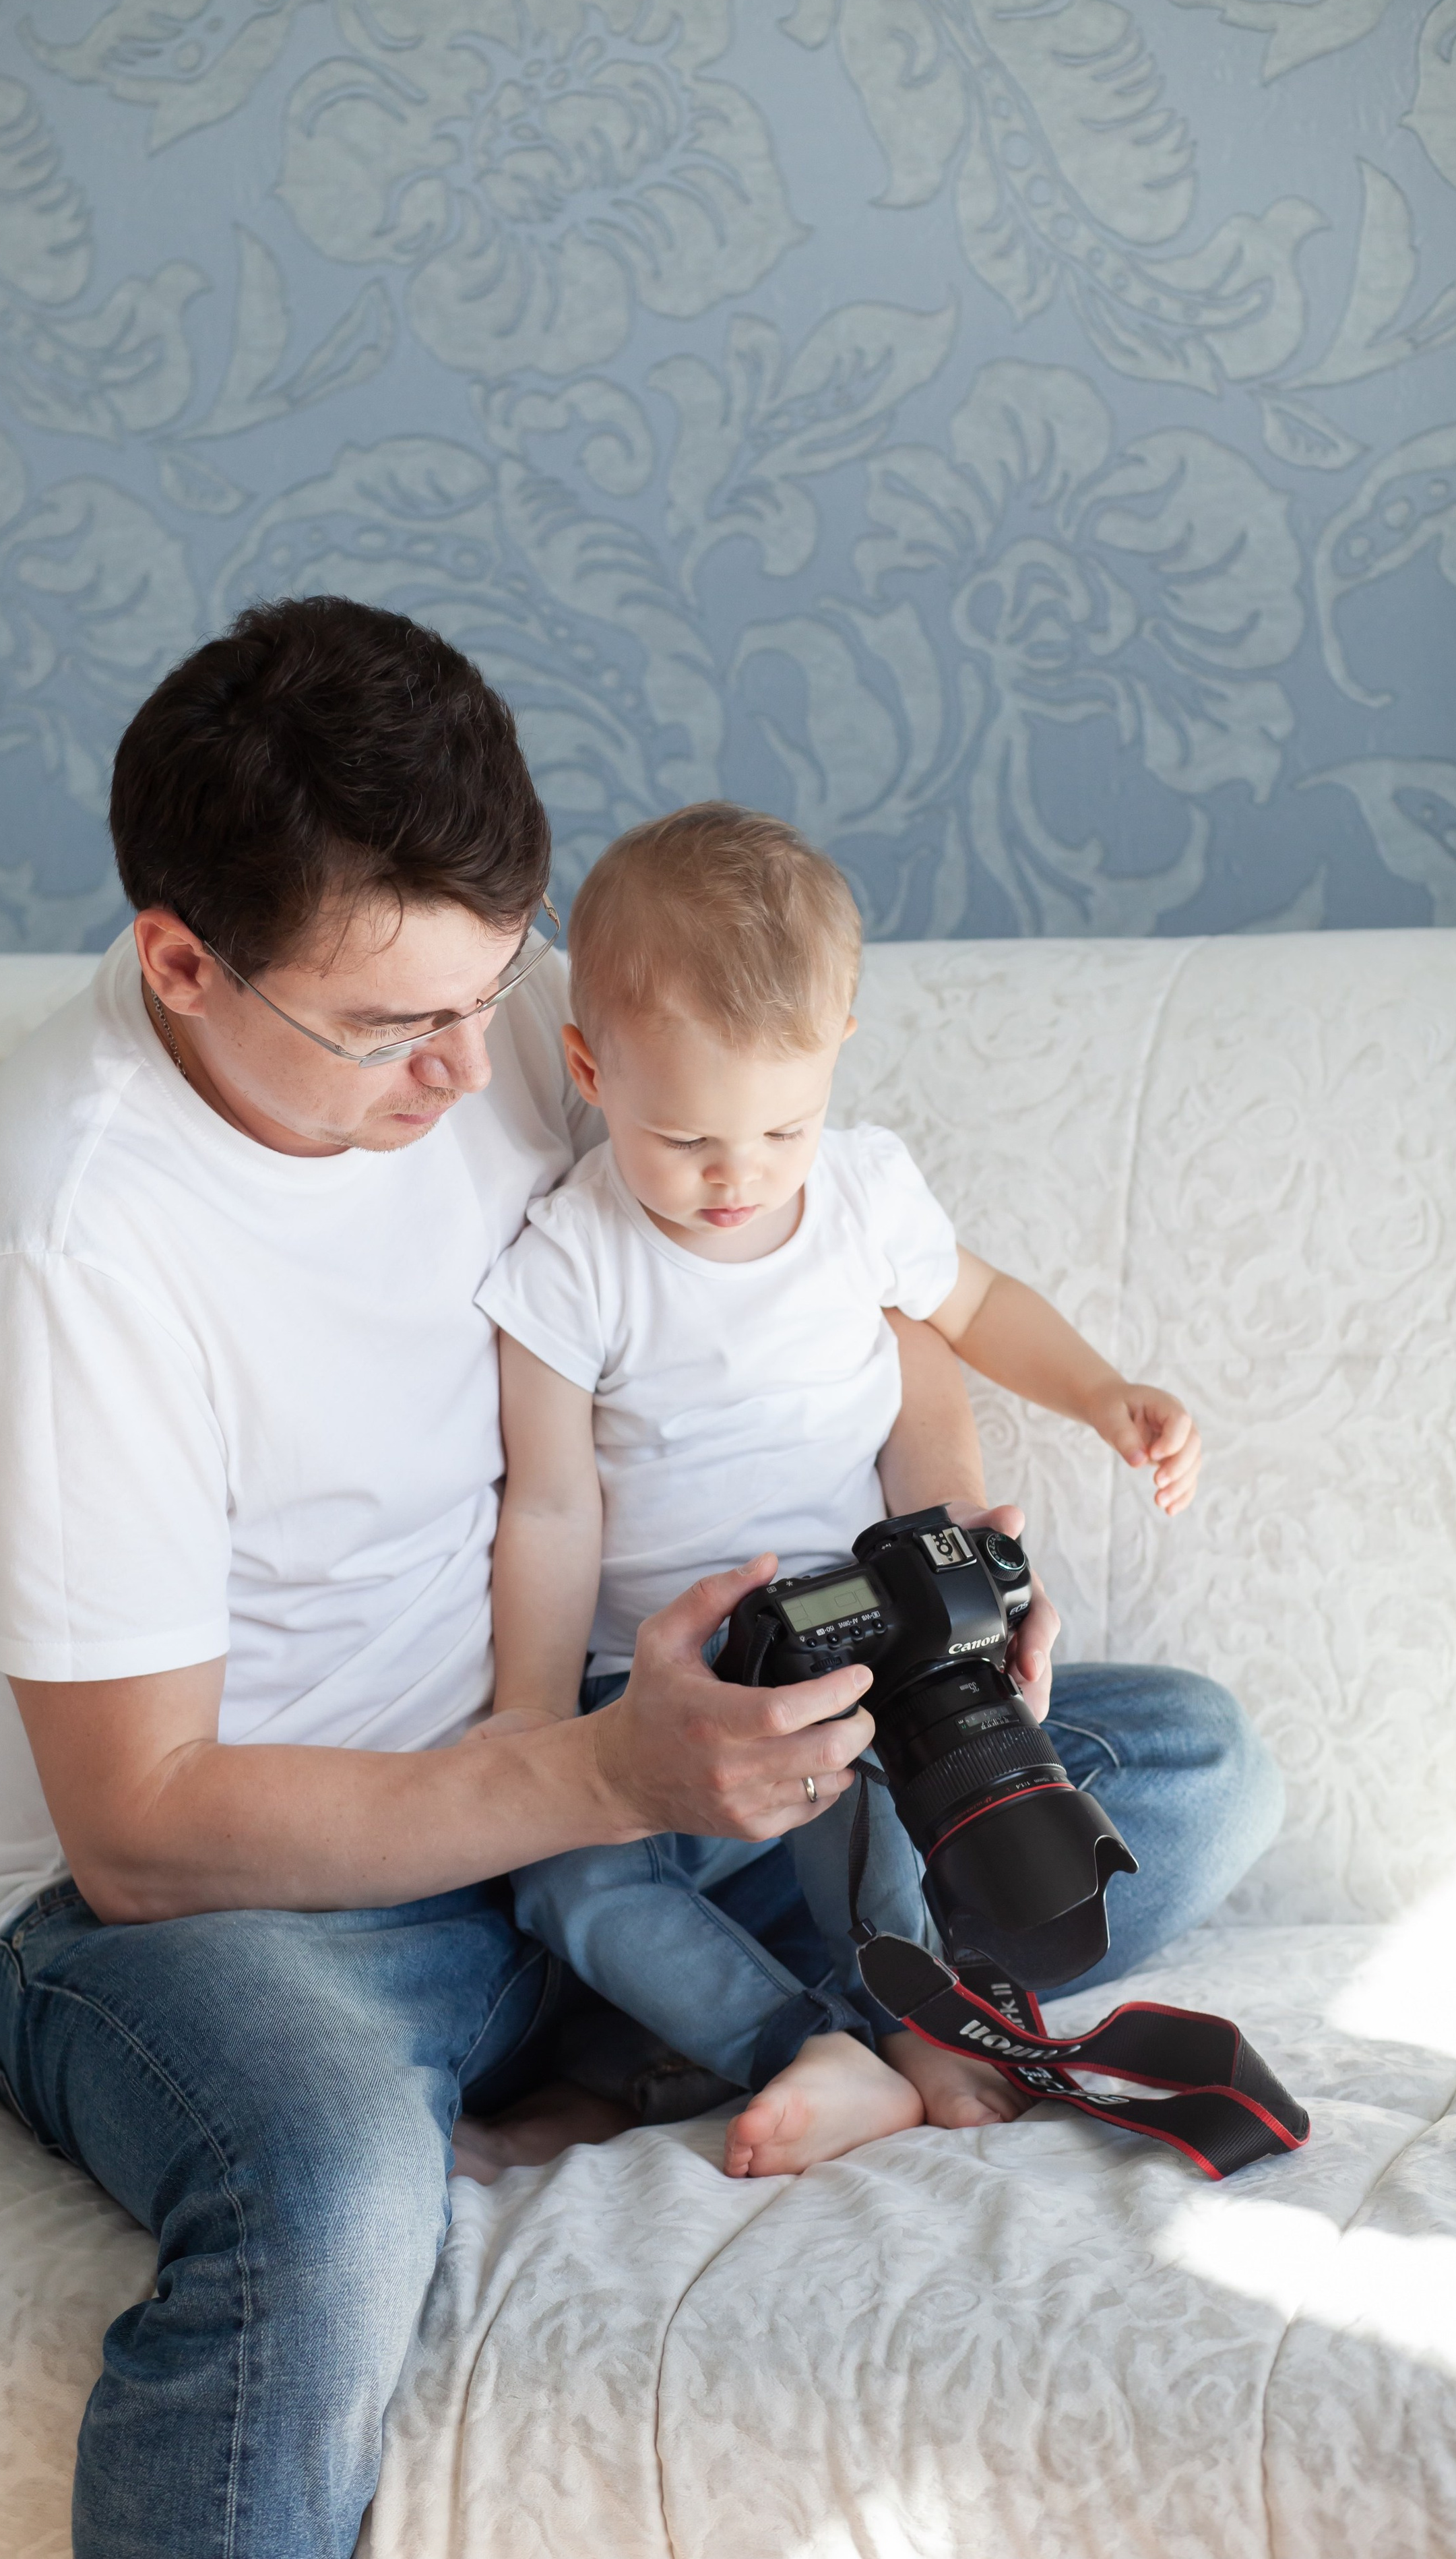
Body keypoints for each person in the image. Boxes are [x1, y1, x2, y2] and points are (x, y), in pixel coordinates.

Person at [0, 597, 1034, 2559]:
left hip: (554, 1801)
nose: (470, 1071)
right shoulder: (66, 1242)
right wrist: (610, 1786)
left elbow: (847, 1281)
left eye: (493, 989)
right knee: (332, 2181)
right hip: (222, 1919)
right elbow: (142, 1839)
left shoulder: (509, 1024)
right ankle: (614, 2025)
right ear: (181, 965)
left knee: (1137, 1768)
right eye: (389, 1028)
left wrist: (962, 1559)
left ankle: (615, 2021)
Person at [480, 804, 1283, 2178]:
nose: (736, 1179)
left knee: (1098, 1782)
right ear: (586, 1068)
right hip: (657, 1703)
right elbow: (547, 1512)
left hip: (864, 1664)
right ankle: (813, 2043)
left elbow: (973, 1306)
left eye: (781, 1127)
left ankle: (837, 2032)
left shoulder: (861, 1197)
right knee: (562, 1881)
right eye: (682, 1142)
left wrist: (1098, 1393)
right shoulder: (569, 1262)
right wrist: (530, 1726)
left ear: (835, 1063)